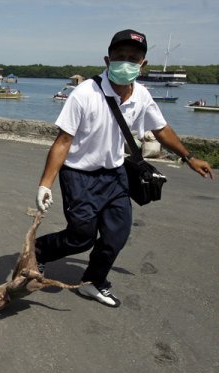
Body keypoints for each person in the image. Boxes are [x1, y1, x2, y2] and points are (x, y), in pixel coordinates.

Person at [34, 29, 214, 308]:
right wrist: (45, 184)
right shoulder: (85, 93)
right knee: (81, 237)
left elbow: (161, 128)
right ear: (108, 60)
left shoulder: (142, 95)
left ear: (142, 65)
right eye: (120, 57)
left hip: (115, 174)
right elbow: (63, 141)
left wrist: (189, 157)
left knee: (116, 235)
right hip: (79, 174)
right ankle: (39, 251)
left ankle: (93, 282)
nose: (126, 62)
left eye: (133, 58)